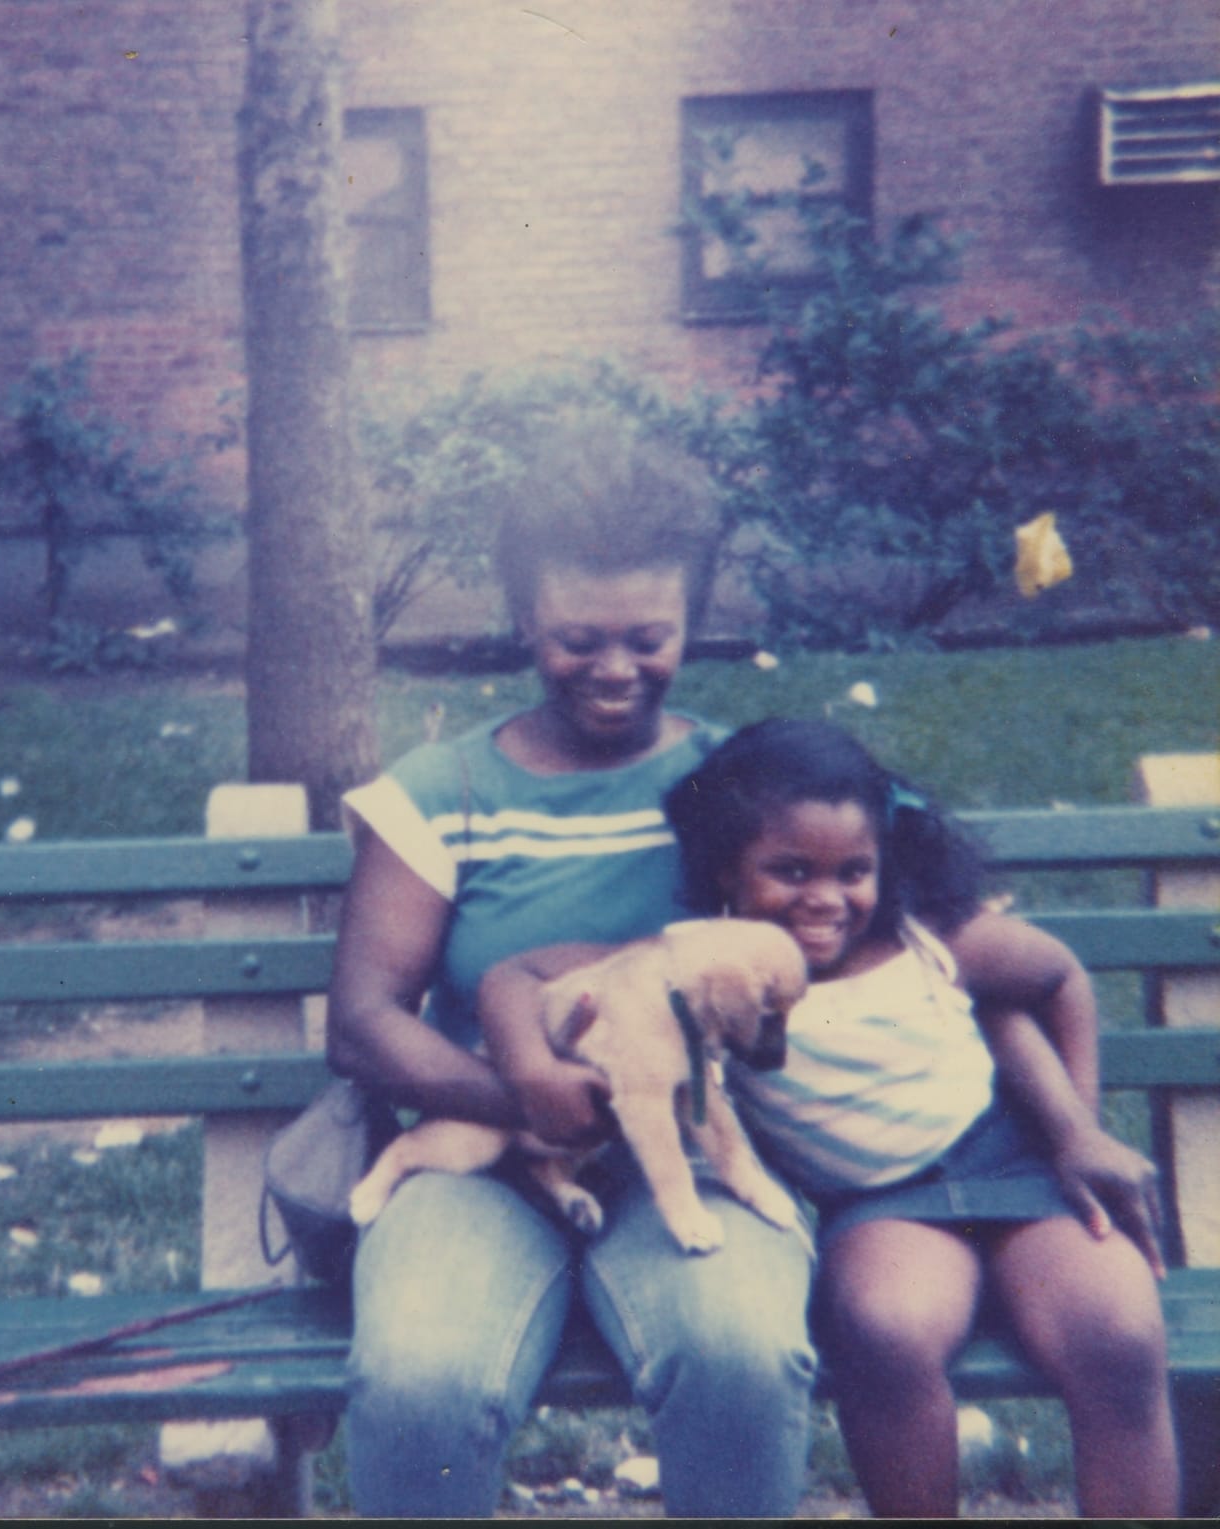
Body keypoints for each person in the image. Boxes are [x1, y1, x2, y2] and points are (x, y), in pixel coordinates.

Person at [326, 413, 817, 1519]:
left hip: (684, 1148)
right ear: (522, 619)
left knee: (741, 1349)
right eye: (576, 638)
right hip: (488, 1154)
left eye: (647, 637)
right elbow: (362, 1020)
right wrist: (523, 1097)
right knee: (417, 1376)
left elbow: (864, 907)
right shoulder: (446, 788)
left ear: (693, 619)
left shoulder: (733, 782)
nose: (613, 669)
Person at [654, 717, 1179, 1518]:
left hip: (1018, 1172)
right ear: (726, 864)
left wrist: (1080, 1132)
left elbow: (1059, 978)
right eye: (790, 870)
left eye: (852, 871)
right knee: (884, 1329)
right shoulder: (714, 970)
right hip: (883, 1205)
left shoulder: (927, 939)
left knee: (1118, 1333)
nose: (825, 898)